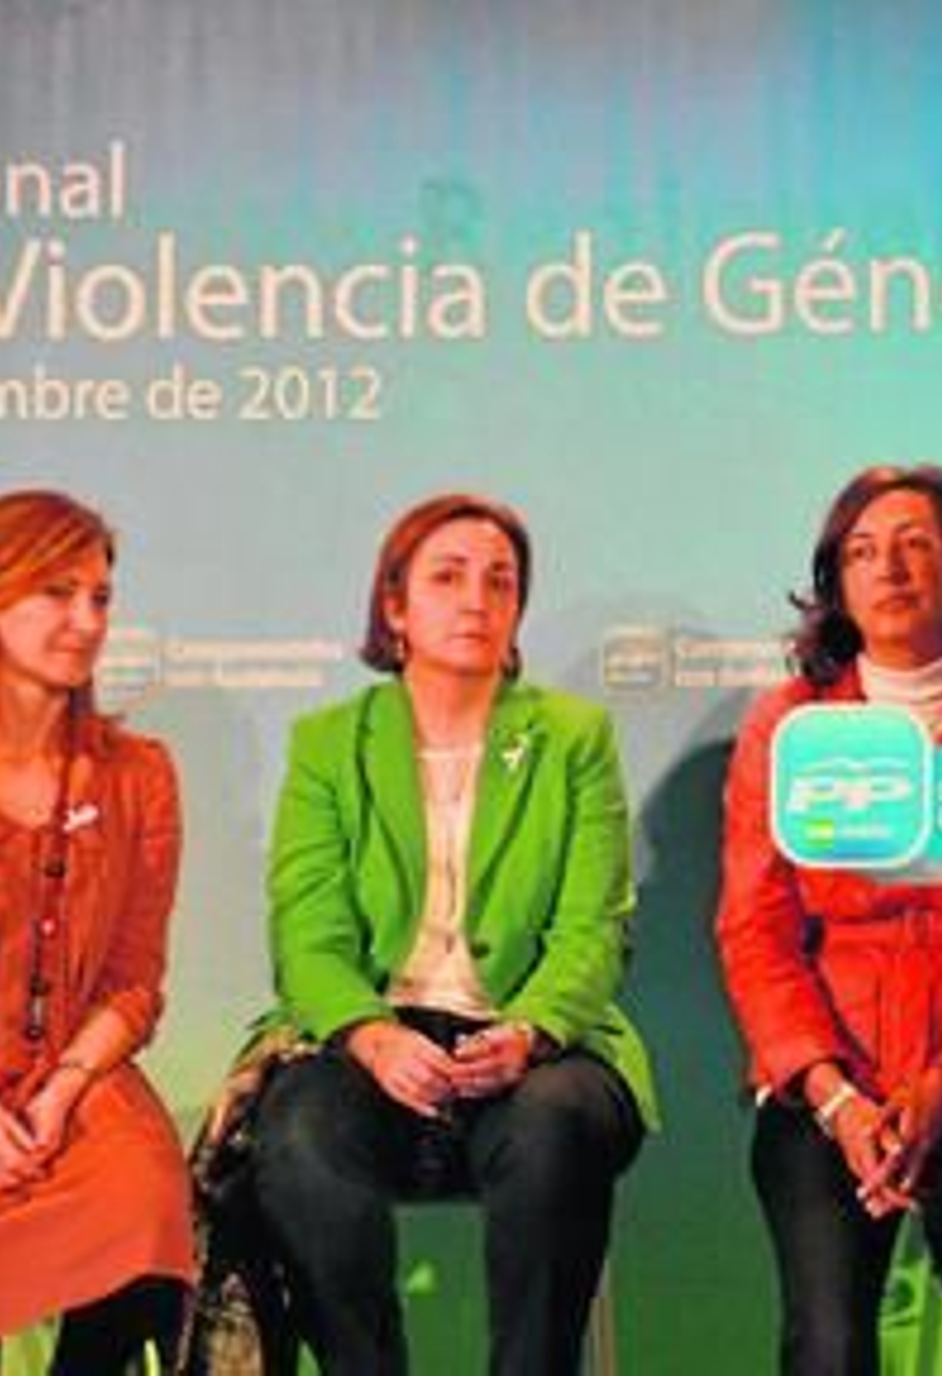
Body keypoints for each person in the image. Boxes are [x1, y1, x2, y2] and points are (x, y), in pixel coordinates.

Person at [249, 493, 655, 1376]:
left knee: (554, 1123)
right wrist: (370, 1036)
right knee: (300, 1134)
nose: (477, 598)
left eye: (500, 581)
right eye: (448, 577)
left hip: (533, 1044)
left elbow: (593, 929)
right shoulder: (329, 743)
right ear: (394, 607)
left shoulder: (572, 737)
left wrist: (532, 1031)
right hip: (376, 1040)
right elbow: (307, 936)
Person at [715, 465, 942, 1375]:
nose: (888, 568)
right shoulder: (788, 727)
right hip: (826, 1081)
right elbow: (755, 931)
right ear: (836, 583)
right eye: (862, 551)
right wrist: (836, 1097)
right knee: (828, 1342)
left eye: (915, 544)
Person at [0, 491, 192, 1375]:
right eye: (57, 593)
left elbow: (133, 981)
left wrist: (64, 1086)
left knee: (143, 1205)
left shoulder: (139, 776)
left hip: (63, 1089)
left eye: (101, 597)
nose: (87, 621)